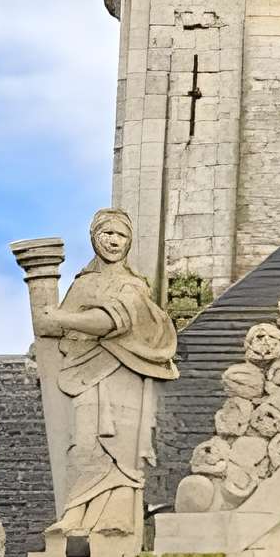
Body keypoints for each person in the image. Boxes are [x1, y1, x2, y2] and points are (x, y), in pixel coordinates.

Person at [38, 207, 178, 538]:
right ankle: (76, 513)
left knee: (121, 449)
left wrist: (60, 320)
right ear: (93, 237)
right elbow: (60, 336)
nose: (114, 241)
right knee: (84, 443)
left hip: (123, 374)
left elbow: (111, 321)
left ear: (130, 242)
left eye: (121, 235)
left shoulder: (132, 286)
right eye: (107, 234)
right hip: (85, 376)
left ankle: (116, 517)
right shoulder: (83, 285)